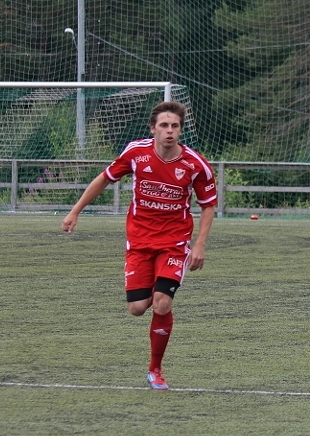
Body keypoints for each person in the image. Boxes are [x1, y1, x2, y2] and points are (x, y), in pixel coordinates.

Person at [62, 101, 217, 390]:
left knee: (162, 302)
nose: (169, 131)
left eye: (175, 126)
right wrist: (75, 211)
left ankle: (155, 369)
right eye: (164, 125)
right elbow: (104, 179)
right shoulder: (136, 153)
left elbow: (208, 205)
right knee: (136, 308)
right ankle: (157, 292)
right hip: (139, 242)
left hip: (174, 243)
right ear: (153, 129)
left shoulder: (195, 164)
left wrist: (199, 245)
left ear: (180, 130)